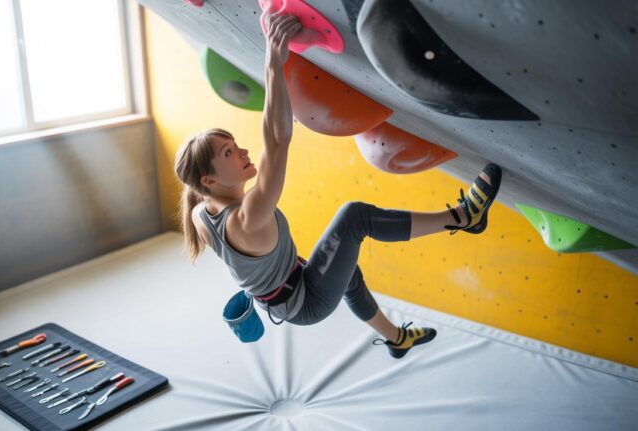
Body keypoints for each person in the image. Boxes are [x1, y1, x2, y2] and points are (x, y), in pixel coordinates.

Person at [173, 11, 502, 359]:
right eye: (228, 152)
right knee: (354, 218)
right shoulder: (248, 217)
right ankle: (465, 217)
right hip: (305, 303)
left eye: (234, 143)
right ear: (210, 179)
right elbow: (277, 139)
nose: (241, 150)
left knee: (347, 271)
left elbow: (212, 174)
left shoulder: (200, 212)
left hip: (290, 290)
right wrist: (273, 62)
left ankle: (396, 340)